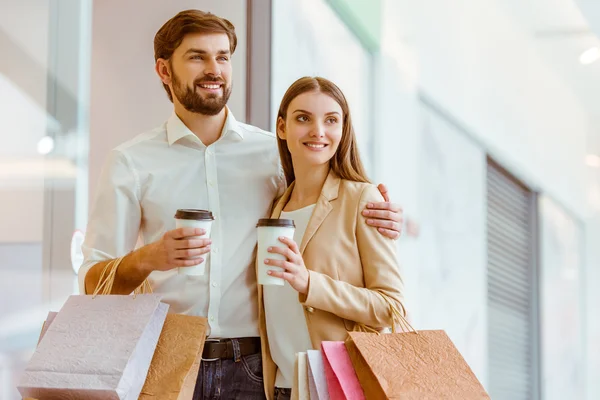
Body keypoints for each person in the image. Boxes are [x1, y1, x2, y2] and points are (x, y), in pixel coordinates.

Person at [79, 10, 403, 400]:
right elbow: (93, 284)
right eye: (197, 56)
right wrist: (151, 257)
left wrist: (383, 216)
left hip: (258, 368)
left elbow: (328, 207)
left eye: (223, 56)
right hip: (167, 363)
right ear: (164, 70)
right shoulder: (131, 162)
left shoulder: (274, 154)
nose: (214, 69)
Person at [257, 77, 406, 400]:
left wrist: (310, 283)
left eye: (331, 120)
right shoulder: (275, 206)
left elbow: (391, 306)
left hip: (335, 387)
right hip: (282, 388)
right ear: (281, 128)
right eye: (303, 118)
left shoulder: (361, 199)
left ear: (343, 130)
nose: (318, 131)